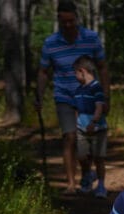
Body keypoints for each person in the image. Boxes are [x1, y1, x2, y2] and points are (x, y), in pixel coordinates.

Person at [36, 0, 110, 196]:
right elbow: (43, 72)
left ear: (77, 18)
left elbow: (102, 67)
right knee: (69, 137)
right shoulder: (50, 43)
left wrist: (106, 97)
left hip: (89, 99)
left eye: (71, 21)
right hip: (65, 96)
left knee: (88, 140)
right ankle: (71, 183)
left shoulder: (91, 38)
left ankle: (87, 173)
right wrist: (39, 96)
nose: (68, 25)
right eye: (64, 21)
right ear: (59, 20)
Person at [72, 56, 108, 199]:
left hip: (97, 129)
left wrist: (93, 122)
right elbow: (76, 110)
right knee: (82, 156)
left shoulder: (96, 88)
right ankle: (88, 176)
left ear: (82, 71)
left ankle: (100, 185)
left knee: (99, 158)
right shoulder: (78, 90)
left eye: (75, 73)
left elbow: (99, 107)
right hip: (81, 129)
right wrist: (77, 125)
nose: (75, 76)